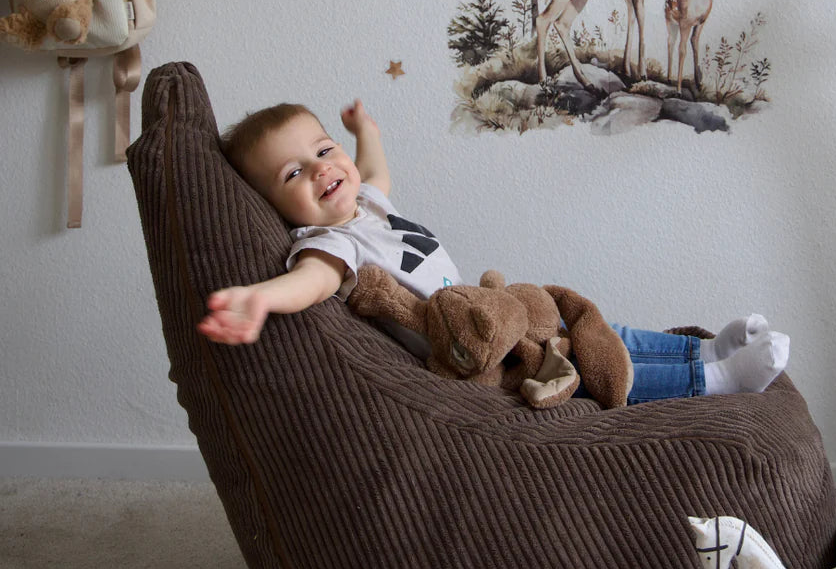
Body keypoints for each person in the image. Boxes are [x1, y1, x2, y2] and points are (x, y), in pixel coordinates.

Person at [198, 101, 789, 401]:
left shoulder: (365, 205)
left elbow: (375, 171)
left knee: (588, 330)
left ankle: (702, 349)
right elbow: (313, 281)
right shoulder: (330, 243)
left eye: (324, 150)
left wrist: (364, 133)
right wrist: (261, 298)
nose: (321, 169)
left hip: (493, 318)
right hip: (474, 357)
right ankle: (715, 380)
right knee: (586, 372)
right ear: (274, 208)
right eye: (293, 173)